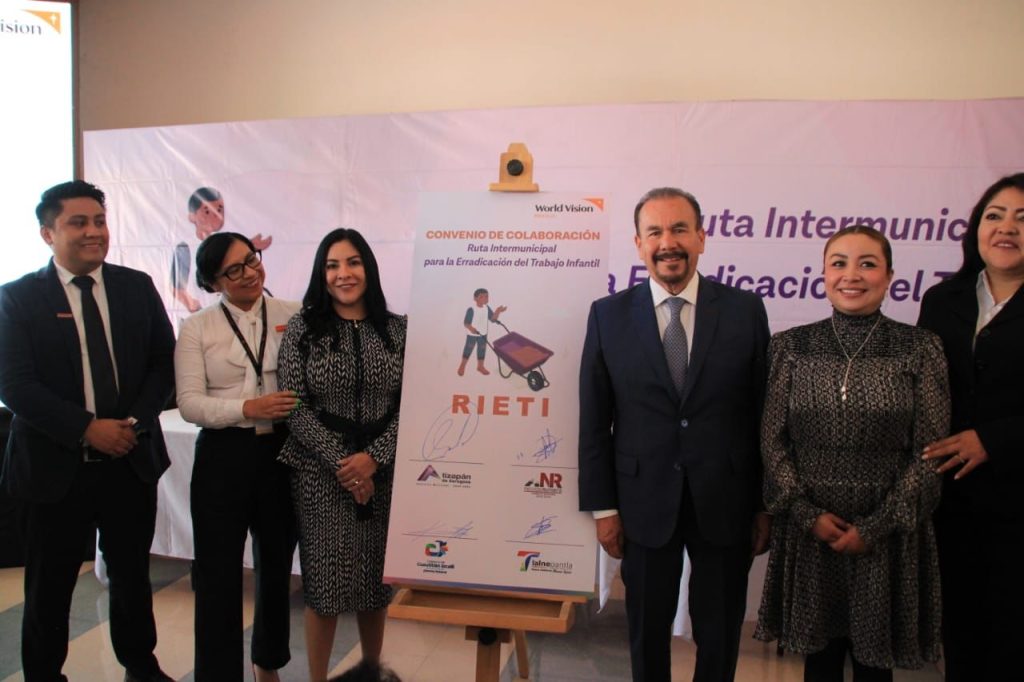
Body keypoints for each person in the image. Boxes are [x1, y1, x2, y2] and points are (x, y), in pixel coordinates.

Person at [578, 187, 771, 682]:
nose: (668, 242)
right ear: (638, 244)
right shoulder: (607, 316)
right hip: (641, 502)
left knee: (720, 630)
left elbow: (763, 415)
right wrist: (603, 509)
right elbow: (594, 421)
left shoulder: (746, 311)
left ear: (701, 237)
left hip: (726, 500)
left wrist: (764, 504)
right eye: (655, 232)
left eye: (680, 229)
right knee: (646, 630)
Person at [755, 225, 948, 681]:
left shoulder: (920, 347)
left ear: (889, 276)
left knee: (873, 666)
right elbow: (772, 440)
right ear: (823, 274)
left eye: (867, 264)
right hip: (811, 529)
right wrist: (807, 514)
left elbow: (932, 449)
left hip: (886, 532)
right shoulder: (790, 346)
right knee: (818, 663)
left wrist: (877, 526)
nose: (852, 275)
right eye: (839, 263)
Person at [0, 181, 176, 682]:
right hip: (53, 470)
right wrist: (86, 429)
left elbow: (162, 363)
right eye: (78, 223)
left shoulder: (136, 287)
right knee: (49, 586)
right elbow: (15, 384)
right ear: (47, 233)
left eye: (99, 220)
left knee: (132, 578)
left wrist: (132, 424)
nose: (94, 231)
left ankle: (141, 667)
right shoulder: (17, 298)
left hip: (129, 461)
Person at [277, 228, 406, 681]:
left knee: (375, 585)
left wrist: (374, 458)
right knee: (325, 588)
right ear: (322, 273)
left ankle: (373, 672)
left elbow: (412, 403)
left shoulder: (397, 329)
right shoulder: (303, 328)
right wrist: (344, 466)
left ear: (368, 268)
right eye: (332, 265)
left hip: (382, 472)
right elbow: (292, 405)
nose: (343, 274)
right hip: (319, 473)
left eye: (352, 262)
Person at [174, 232, 300, 681]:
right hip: (223, 456)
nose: (249, 273)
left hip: (281, 454)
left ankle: (268, 661)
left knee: (276, 565)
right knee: (217, 573)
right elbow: (190, 404)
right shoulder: (197, 328)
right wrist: (247, 408)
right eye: (234, 270)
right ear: (213, 282)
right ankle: (217, 673)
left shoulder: (293, 314)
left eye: (251, 260)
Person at [917, 172, 1024, 681]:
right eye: (994, 216)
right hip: (953, 502)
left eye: (1022, 219)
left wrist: (994, 439)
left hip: (1017, 498)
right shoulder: (943, 300)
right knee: (961, 637)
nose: (1006, 228)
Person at [456, 287, 506, 376]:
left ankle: (480, 366)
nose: (485, 298)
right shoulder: (472, 309)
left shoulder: (486, 308)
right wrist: (471, 328)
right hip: (472, 334)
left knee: (482, 350)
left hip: (483, 333)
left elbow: (492, 319)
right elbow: (466, 323)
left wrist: (498, 311)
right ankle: (462, 365)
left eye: (486, 296)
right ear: (475, 298)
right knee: (468, 349)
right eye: (482, 297)